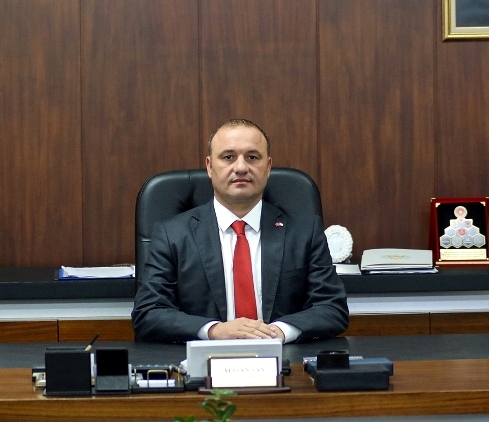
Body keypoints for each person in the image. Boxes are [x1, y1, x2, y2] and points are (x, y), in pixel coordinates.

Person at [132, 119, 348, 343]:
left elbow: (332, 308)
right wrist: (214, 331)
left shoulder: (304, 231)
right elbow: (148, 313)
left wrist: (277, 332)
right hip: (204, 360)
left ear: (268, 166)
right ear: (209, 166)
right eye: (228, 157)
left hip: (283, 358)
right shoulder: (172, 235)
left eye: (252, 157)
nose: (241, 167)